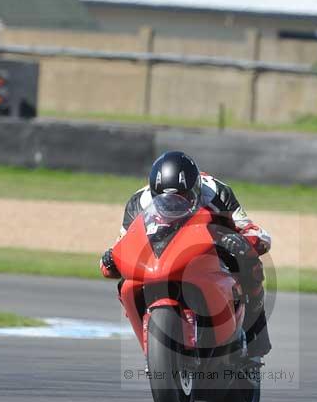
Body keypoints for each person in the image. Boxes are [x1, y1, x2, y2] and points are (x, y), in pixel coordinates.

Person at [100, 151, 271, 357]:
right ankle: (151, 342)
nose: (173, 205)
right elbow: (124, 241)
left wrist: (244, 241)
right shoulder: (138, 202)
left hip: (208, 250)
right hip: (162, 255)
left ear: (196, 188)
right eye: (164, 201)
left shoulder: (217, 193)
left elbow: (252, 230)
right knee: (126, 283)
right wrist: (110, 259)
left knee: (251, 266)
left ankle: (254, 341)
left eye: (182, 198)